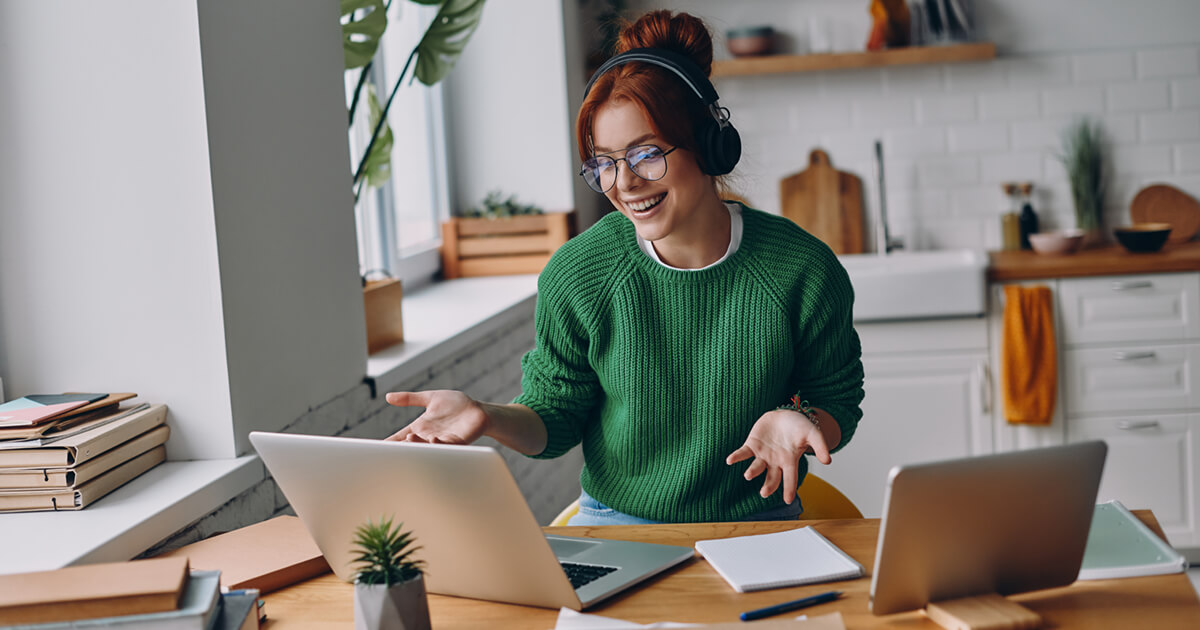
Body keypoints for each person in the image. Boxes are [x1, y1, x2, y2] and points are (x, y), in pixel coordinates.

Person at [385, 10, 864, 525]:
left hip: (757, 523)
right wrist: (489, 417)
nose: (625, 183)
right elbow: (556, 419)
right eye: (605, 162)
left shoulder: (801, 269)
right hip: (616, 525)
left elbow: (837, 398)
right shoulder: (580, 273)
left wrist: (800, 417)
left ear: (709, 143)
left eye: (646, 154)